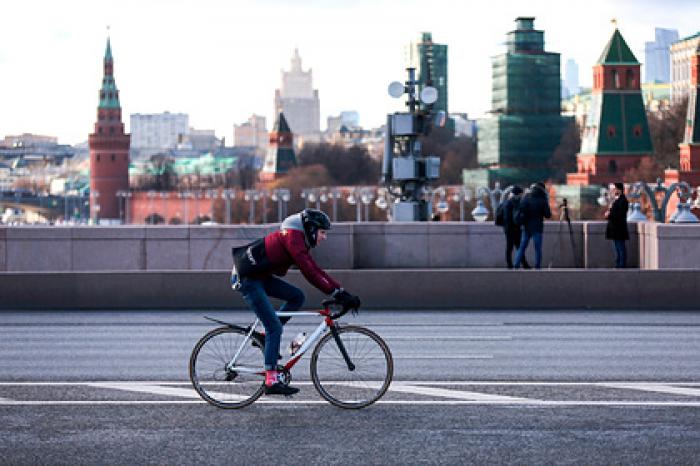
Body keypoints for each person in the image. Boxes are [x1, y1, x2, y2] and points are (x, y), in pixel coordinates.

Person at [231, 209, 361, 396]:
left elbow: (315, 269)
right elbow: (310, 272)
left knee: (297, 297)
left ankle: (263, 335)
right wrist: (337, 293)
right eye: (322, 232)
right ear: (310, 229)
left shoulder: (298, 238)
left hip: (258, 276)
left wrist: (340, 292)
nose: (324, 237)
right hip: (247, 279)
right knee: (275, 327)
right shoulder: (293, 238)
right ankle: (271, 380)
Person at [514, 182, 551, 269]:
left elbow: (521, 210)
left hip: (526, 227)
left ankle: (516, 264)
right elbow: (548, 215)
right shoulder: (542, 199)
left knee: (522, 247)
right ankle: (537, 266)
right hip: (537, 227)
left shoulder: (526, 197)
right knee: (537, 248)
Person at [501, 186, 530, 269]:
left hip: (509, 228)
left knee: (512, 246)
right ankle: (522, 264)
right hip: (513, 228)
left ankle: (511, 264)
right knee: (516, 246)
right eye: (521, 194)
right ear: (518, 194)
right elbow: (511, 217)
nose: (522, 195)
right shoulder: (514, 203)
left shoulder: (507, 202)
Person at [605, 182, 629, 268]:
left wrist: (609, 214)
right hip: (615, 228)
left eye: (615, 189)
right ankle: (618, 264)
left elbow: (620, 214)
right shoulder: (617, 200)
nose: (614, 191)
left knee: (620, 247)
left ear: (619, 190)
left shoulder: (623, 201)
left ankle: (621, 265)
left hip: (619, 228)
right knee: (617, 248)